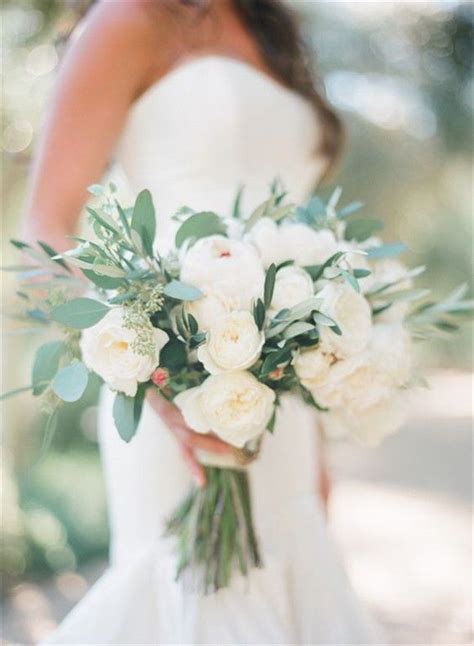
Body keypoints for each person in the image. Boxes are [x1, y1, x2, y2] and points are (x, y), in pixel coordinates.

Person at [23, 0, 381, 642]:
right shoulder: (132, 18)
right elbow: (44, 234)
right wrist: (145, 373)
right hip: (169, 385)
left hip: (280, 397)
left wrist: (316, 427)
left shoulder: (270, 30)